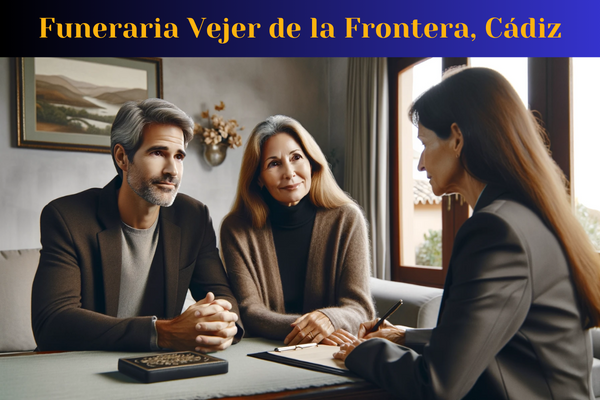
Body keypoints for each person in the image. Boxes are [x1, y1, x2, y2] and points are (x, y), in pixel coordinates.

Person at [333, 67, 600, 399]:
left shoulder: (496, 231)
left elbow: (437, 384)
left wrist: (359, 352)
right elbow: (502, 336)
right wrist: (405, 336)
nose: (419, 165)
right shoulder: (531, 216)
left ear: (457, 139)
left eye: (425, 144)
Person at [32, 98, 243, 352]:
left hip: (161, 370)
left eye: (179, 156)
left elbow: (223, 297)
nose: (172, 170)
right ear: (122, 157)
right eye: (158, 153)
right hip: (80, 371)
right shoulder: (67, 217)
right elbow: (52, 323)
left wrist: (220, 323)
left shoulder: (193, 217)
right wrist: (161, 332)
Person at [220, 115, 375, 345]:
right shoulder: (236, 228)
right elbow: (249, 311)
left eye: (296, 158)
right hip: (267, 350)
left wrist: (328, 319)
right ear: (258, 178)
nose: (289, 172)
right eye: (274, 163)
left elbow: (360, 308)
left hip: (334, 350)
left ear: (311, 163)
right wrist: (313, 330)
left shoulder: (347, 219)